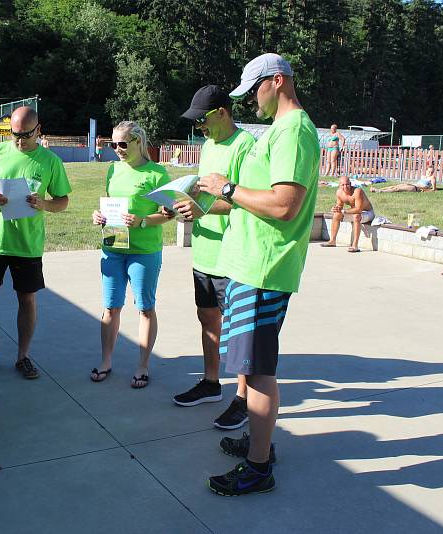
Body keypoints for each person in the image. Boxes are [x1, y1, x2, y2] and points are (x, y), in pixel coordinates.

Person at [196, 53, 320, 496]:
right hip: (249, 264)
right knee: (252, 367)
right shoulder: (278, 131)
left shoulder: (294, 132)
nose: (250, 100)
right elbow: (255, 197)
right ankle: (259, 443)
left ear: (278, 81)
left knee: (259, 370)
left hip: (265, 267)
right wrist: (213, 198)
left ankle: (259, 467)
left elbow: (284, 205)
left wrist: (226, 188)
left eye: (254, 90)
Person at [170, 85, 256, 430]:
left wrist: (202, 210)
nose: (199, 129)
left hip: (231, 255)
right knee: (207, 319)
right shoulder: (207, 146)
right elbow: (202, 193)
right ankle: (210, 383)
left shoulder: (245, 145)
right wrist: (179, 201)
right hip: (204, 251)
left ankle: (244, 398)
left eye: (203, 121)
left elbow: (244, 198)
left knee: (239, 332)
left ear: (222, 112)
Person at [0, 106, 72, 379]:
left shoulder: (50, 161)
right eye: (14, 134)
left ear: (38, 130)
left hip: (27, 243)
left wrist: (44, 204)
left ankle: (23, 356)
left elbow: (63, 201)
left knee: (27, 299)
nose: (19, 140)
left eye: (25, 134)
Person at [89, 121, 172, 388]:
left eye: (122, 144)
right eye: (113, 144)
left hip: (144, 252)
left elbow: (168, 214)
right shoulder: (113, 170)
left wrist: (143, 221)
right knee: (110, 307)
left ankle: (143, 365)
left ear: (138, 142)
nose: (117, 149)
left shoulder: (157, 173)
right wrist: (99, 216)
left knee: (145, 308)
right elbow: (109, 201)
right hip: (113, 248)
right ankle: (106, 361)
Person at [320, 175, 375, 252]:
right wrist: (336, 209)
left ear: (350, 184)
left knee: (356, 216)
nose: (345, 186)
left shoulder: (357, 192)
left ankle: (355, 245)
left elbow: (359, 209)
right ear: (339, 185)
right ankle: (332, 241)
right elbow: (340, 207)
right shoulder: (339, 193)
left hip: (368, 213)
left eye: (347, 184)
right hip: (355, 212)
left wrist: (344, 211)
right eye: (342, 185)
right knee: (337, 215)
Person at [370, 166, 436, 193]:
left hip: (415, 188)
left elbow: (434, 189)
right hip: (412, 185)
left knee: (397, 189)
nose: (430, 172)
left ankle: (379, 191)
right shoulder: (423, 176)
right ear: (427, 170)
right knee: (394, 186)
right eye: (429, 171)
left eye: (431, 172)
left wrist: (425, 190)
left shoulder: (432, 178)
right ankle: (378, 189)